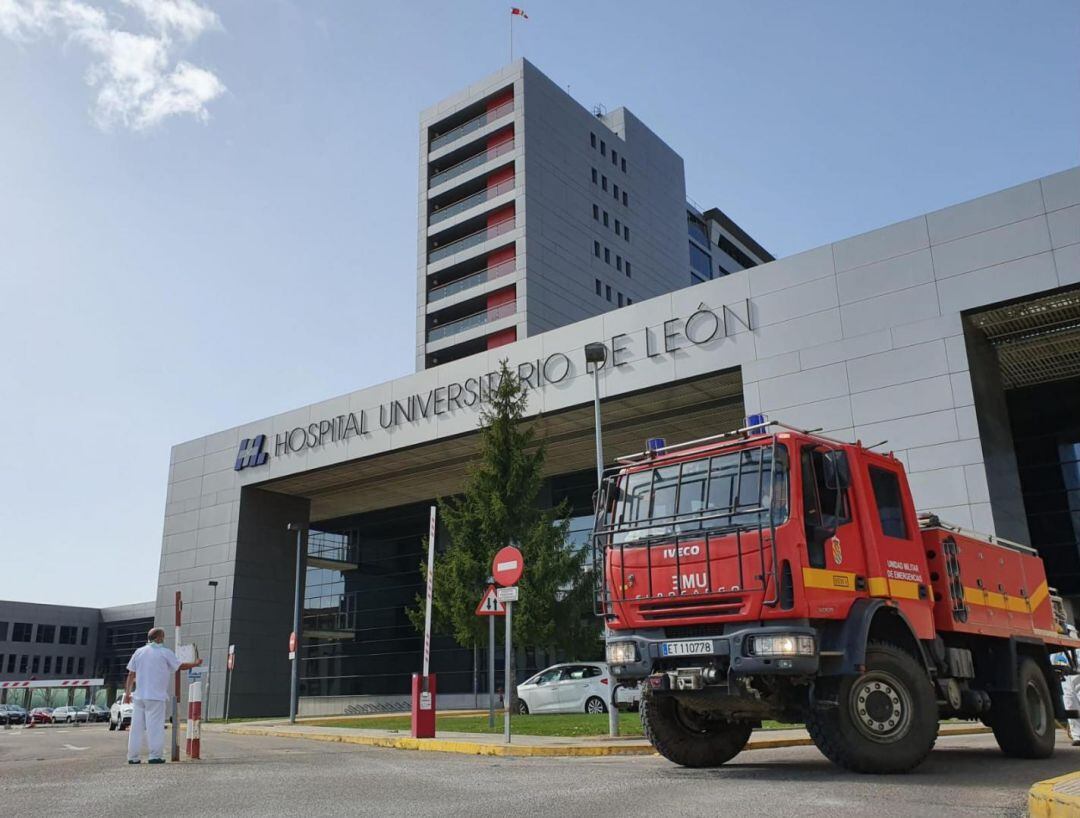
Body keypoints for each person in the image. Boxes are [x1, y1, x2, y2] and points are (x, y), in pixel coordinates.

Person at [124, 626, 202, 764]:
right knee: (155, 727)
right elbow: (180, 666)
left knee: (136, 728)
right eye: (163, 637)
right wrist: (194, 664)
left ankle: (133, 757)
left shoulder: (138, 652)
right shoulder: (165, 652)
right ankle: (155, 756)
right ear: (159, 638)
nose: (164, 639)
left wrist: (128, 693)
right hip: (155, 697)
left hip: (139, 697)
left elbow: (131, 674)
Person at [1051, 626, 1080, 747]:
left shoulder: (1077, 650)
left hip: (1077, 676)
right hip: (1065, 680)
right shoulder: (1054, 652)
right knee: (1070, 705)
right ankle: (1077, 735)